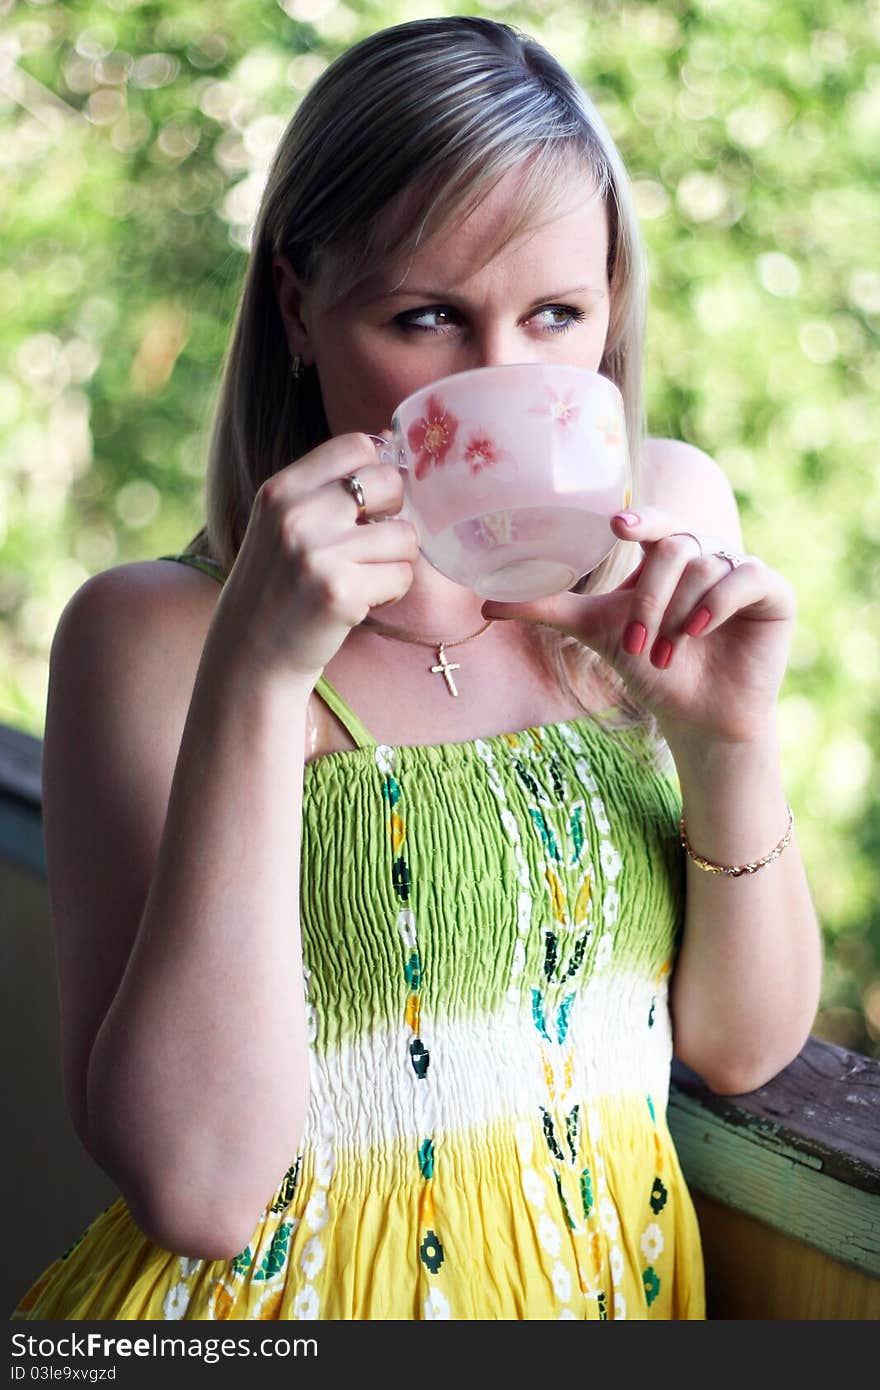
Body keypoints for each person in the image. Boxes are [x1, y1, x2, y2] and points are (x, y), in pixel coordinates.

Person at [14, 16, 821, 1322]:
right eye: (429, 316)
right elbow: (202, 1191)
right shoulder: (151, 633)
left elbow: (744, 1044)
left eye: (557, 314)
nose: (504, 377)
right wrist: (263, 681)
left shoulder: (671, 526)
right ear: (299, 311)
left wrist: (729, 745)